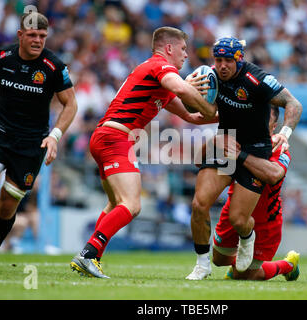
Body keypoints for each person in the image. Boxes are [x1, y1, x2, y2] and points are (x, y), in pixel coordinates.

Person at [70, 26, 216, 278]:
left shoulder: (160, 80)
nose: (186, 56)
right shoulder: (160, 66)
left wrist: (223, 114)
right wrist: (208, 106)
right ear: (168, 48)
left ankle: (91, 257)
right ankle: (88, 255)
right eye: (183, 49)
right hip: (115, 138)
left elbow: (191, 116)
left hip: (107, 136)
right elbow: (182, 90)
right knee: (132, 205)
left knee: (115, 204)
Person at [186, 36, 302, 280]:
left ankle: (248, 238)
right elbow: (194, 111)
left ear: (239, 59)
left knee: (239, 220)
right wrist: (187, 88)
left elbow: (294, 104)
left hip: (255, 149)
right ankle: (201, 265)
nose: (222, 65)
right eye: (218, 60)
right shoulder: (210, 77)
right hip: (225, 142)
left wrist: (285, 132)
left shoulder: (257, 79)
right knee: (199, 204)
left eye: (228, 60)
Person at [0, 11, 78, 272]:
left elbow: (70, 104)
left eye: (42, 35)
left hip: (31, 144)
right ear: (20, 35)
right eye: (32, 35)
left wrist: (54, 136)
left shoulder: (54, 67)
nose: (38, 40)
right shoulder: (3, 58)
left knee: (8, 204)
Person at [211, 106, 300, 281]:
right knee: (218, 260)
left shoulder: (279, 148)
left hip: (265, 220)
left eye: (263, 121)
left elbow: (273, 175)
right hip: (233, 212)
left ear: (273, 127)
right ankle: (240, 264)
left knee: (245, 275)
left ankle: (288, 265)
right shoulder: (237, 140)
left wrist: (240, 155)